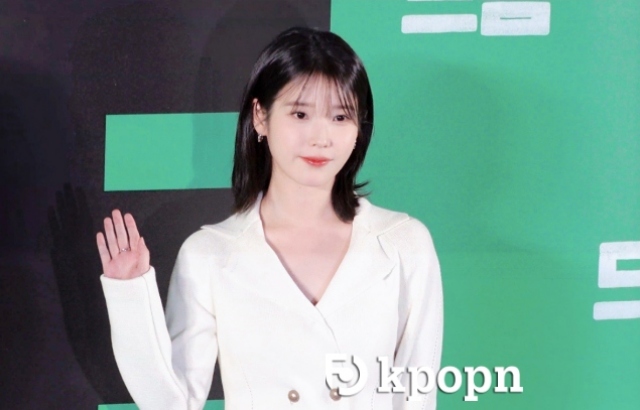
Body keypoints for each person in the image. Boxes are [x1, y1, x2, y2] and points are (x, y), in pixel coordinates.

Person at [97, 27, 443, 409]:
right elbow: (174, 404)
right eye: (300, 114)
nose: (321, 137)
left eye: (340, 116)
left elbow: (417, 396)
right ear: (261, 117)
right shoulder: (209, 255)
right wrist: (130, 297)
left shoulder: (403, 244)